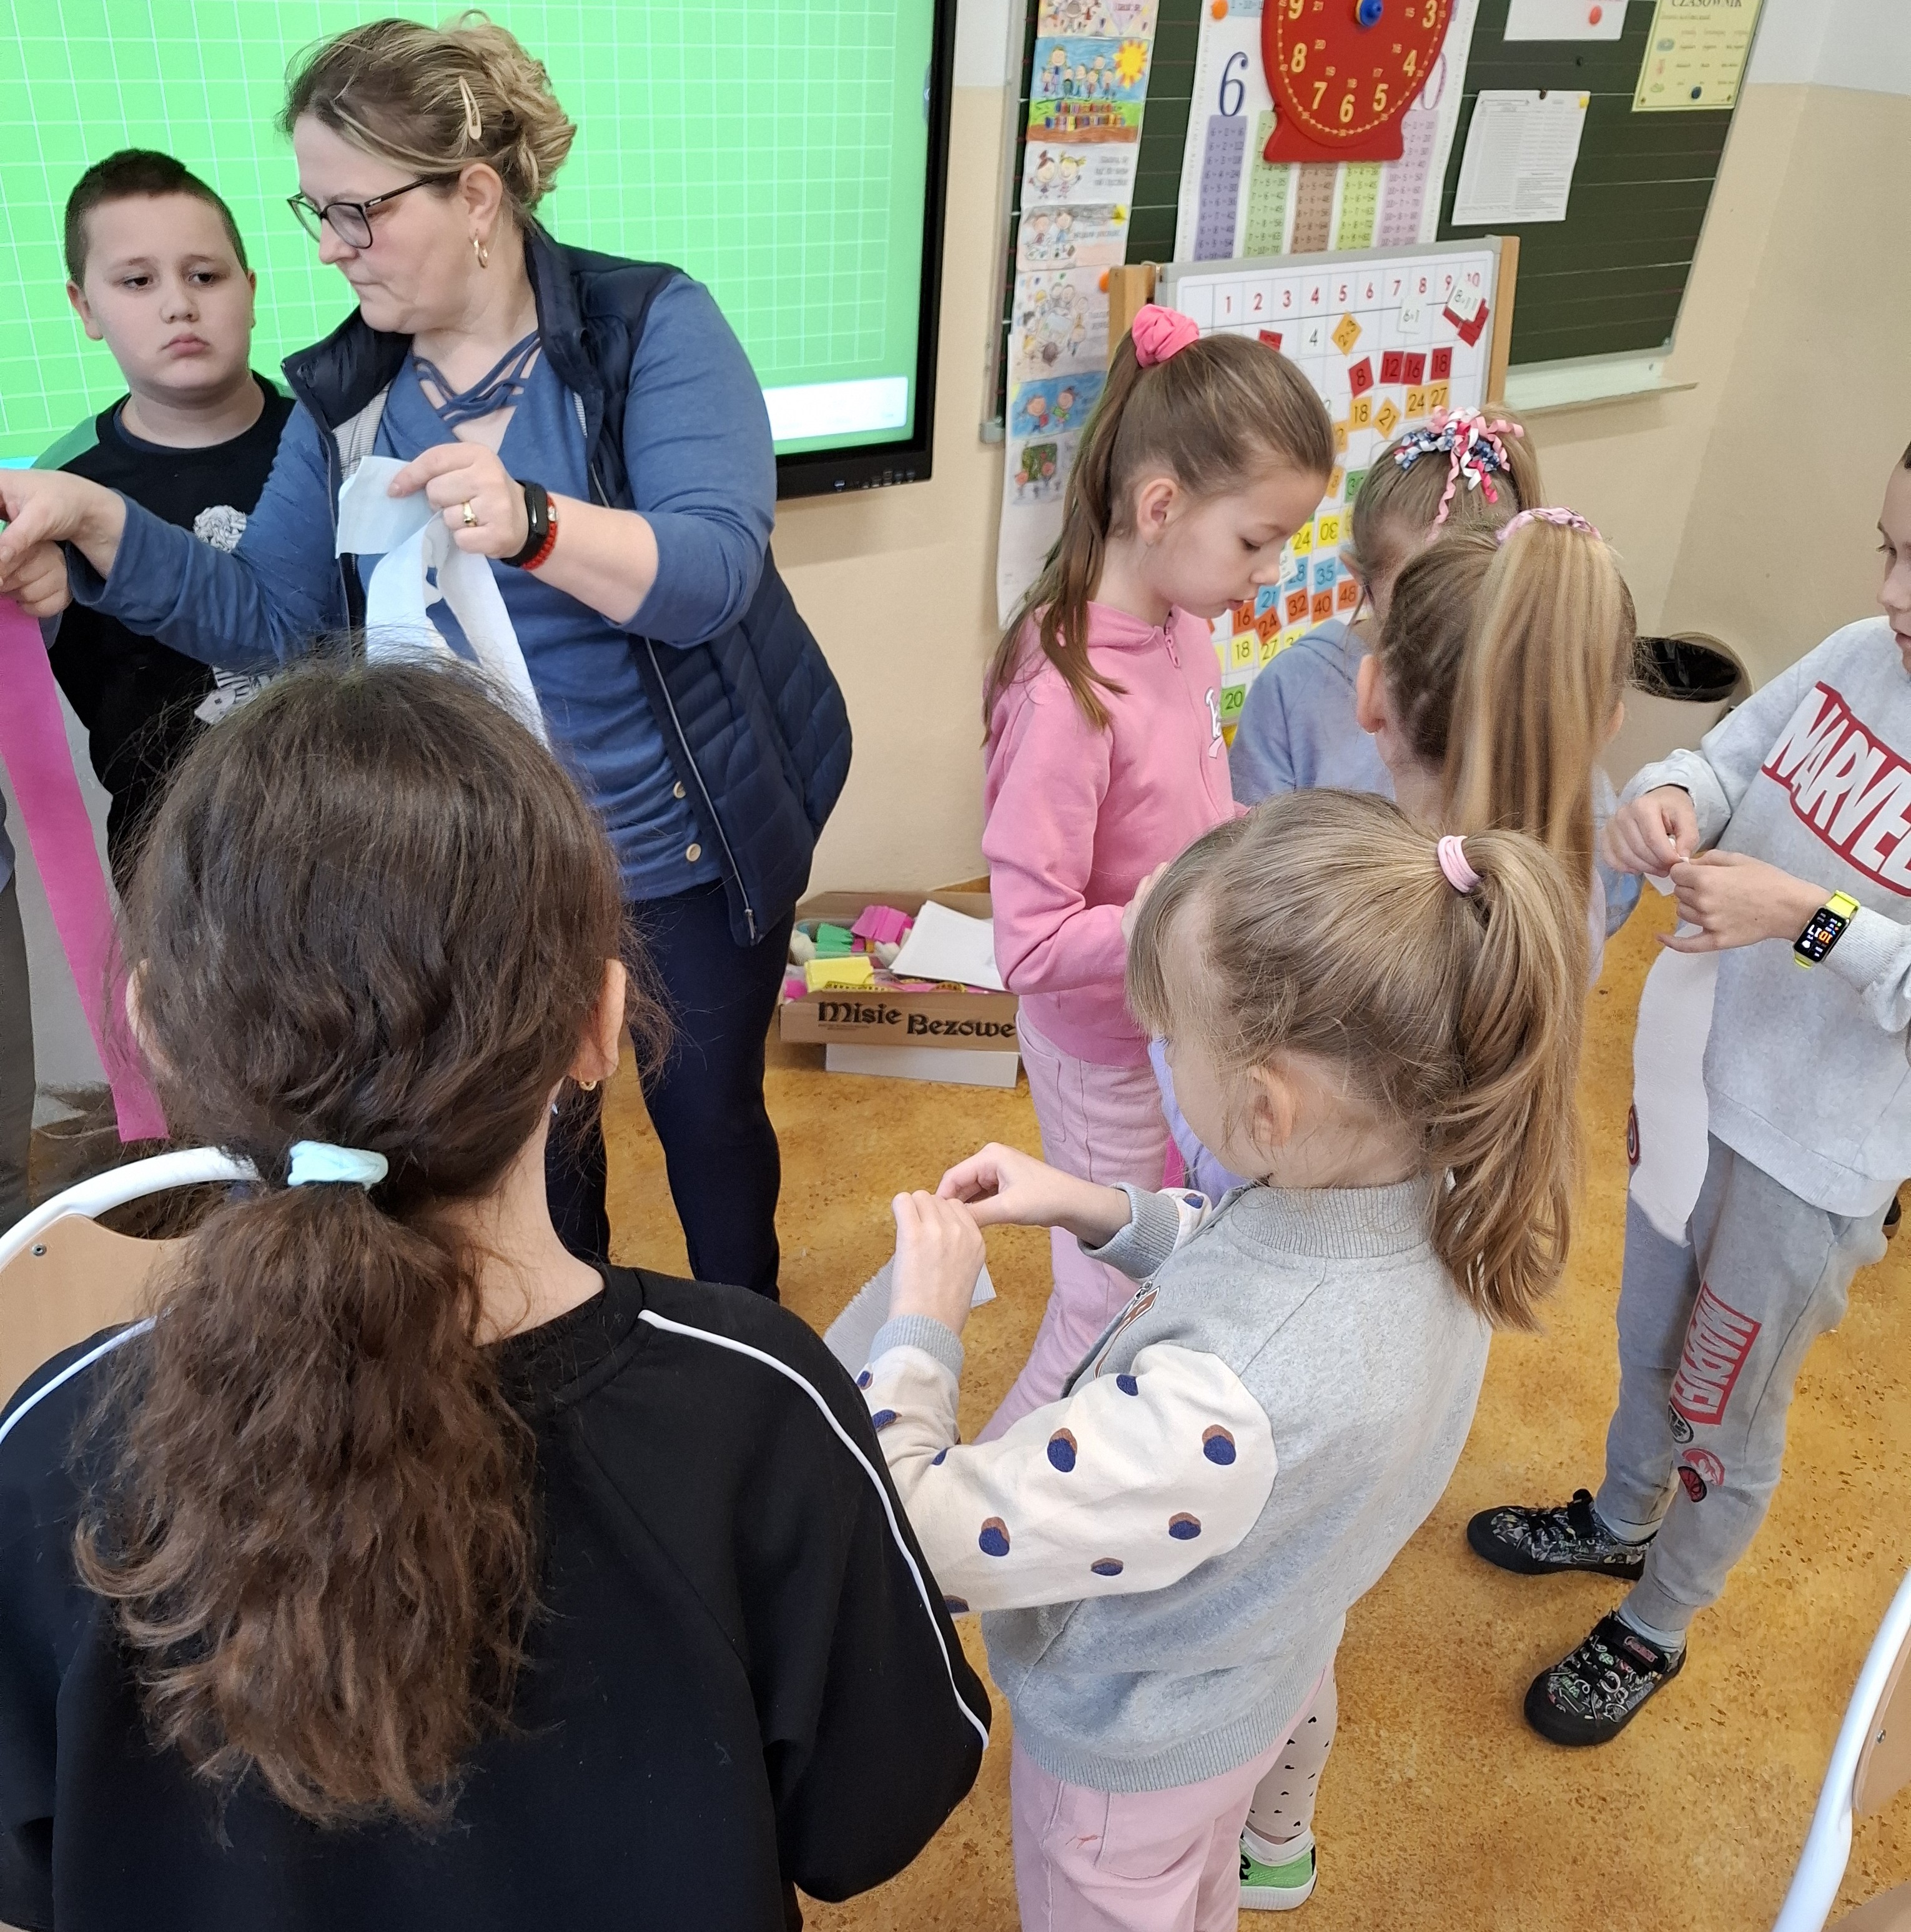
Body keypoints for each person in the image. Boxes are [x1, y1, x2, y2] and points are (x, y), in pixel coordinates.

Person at [0, 660, 986, 1931]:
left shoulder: (47, 1449)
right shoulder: (761, 1409)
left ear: (158, 1031)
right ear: (599, 1024)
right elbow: (870, 1818)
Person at [0, 16, 848, 1298]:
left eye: (359, 211)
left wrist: (535, 520)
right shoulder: (350, 396)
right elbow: (273, 620)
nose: (331, 247)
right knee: (538, 1161)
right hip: (500, 866)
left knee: (711, 1126)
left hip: (683, 852)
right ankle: (571, 1358)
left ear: (477, 197)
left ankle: (748, 1345)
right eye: (317, 212)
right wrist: (98, 518)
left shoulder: (645, 329)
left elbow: (711, 574)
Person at [851, 790, 1586, 1928]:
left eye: (1170, 1037)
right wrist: (1096, 1206)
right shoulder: (1441, 1195)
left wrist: (922, 1329)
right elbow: (1259, 1262)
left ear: (1265, 1107)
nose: (1162, 1051)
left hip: (1125, 1766)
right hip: (1259, 1673)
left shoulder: (1218, 1414)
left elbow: (921, 1537)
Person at [1469, 445, 1911, 1746]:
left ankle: (1657, 1620)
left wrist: (1806, 914)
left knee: (1728, 1403)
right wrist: (1667, 801)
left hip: (1811, 1162)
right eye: (1889, 549)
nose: (1892, 591)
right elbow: (1728, 760)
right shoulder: (1858, 653)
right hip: (1693, 1082)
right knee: (1650, 1337)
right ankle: (1621, 1518)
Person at [979, 302, 1331, 1442]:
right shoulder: (1064, 694)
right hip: (1099, 1049)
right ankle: (963, 1506)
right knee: (1103, 1300)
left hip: (1169, 1023)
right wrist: (1163, 919)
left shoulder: (1186, 628)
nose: (1272, 572)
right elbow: (1029, 944)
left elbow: (1190, 811)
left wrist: (1249, 855)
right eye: (1257, 541)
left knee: (1160, 1253)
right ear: (1162, 506)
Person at [1161, 507, 1637, 1201]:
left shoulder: (1346, 922)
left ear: (1371, 696)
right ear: (1606, 726)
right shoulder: (1566, 900)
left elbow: (1255, 1163)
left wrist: (1170, 1016)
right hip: (1468, 1220)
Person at [37, 149, 292, 886]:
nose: (179, 305)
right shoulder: (59, 490)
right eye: (137, 281)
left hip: (364, 840)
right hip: (175, 870)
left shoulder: (334, 443)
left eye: (204, 276)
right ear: (85, 307)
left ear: (249, 290)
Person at [1226, 407, 1541, 802]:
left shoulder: (1533, 683)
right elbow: (1249, 834)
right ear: (1362, 579)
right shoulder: (1292, 691)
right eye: (1415, 601)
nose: (1444, 626)